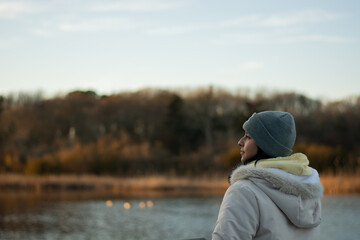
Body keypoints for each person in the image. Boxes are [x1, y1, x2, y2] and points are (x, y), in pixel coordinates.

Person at [212, 111, 323, 240]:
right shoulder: (307, 193)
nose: (240, 142)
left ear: (265, 144)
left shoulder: (243, 191)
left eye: (248, 136)